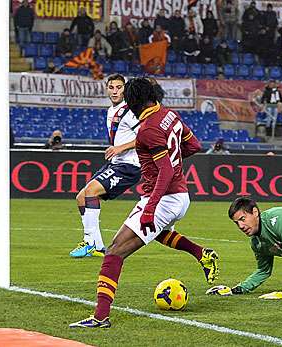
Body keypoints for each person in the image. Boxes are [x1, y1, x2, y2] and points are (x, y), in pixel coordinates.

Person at [69, 77, 220, 328]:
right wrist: (174, 158)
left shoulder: (148, 128)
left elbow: (166, 171)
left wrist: (150, 208)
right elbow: (194, 145)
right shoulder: (169, 114)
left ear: (132, 102)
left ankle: (100, 317)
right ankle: (201, 253)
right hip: (181, 196)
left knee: (115, 251)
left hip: (163, 198)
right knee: (157, 234)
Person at [69, 74, 139, 258]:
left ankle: (90, 242)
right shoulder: (111, 110)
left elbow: (145, 136)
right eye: (111, 87)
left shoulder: (131, 111)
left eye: (119, 87)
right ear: (106, 89)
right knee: (81, 197)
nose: (115, 91)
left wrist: (120, 148)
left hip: (129, 165)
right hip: (116, 163)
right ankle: (98, 246)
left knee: (91, 190)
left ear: (125, 89)